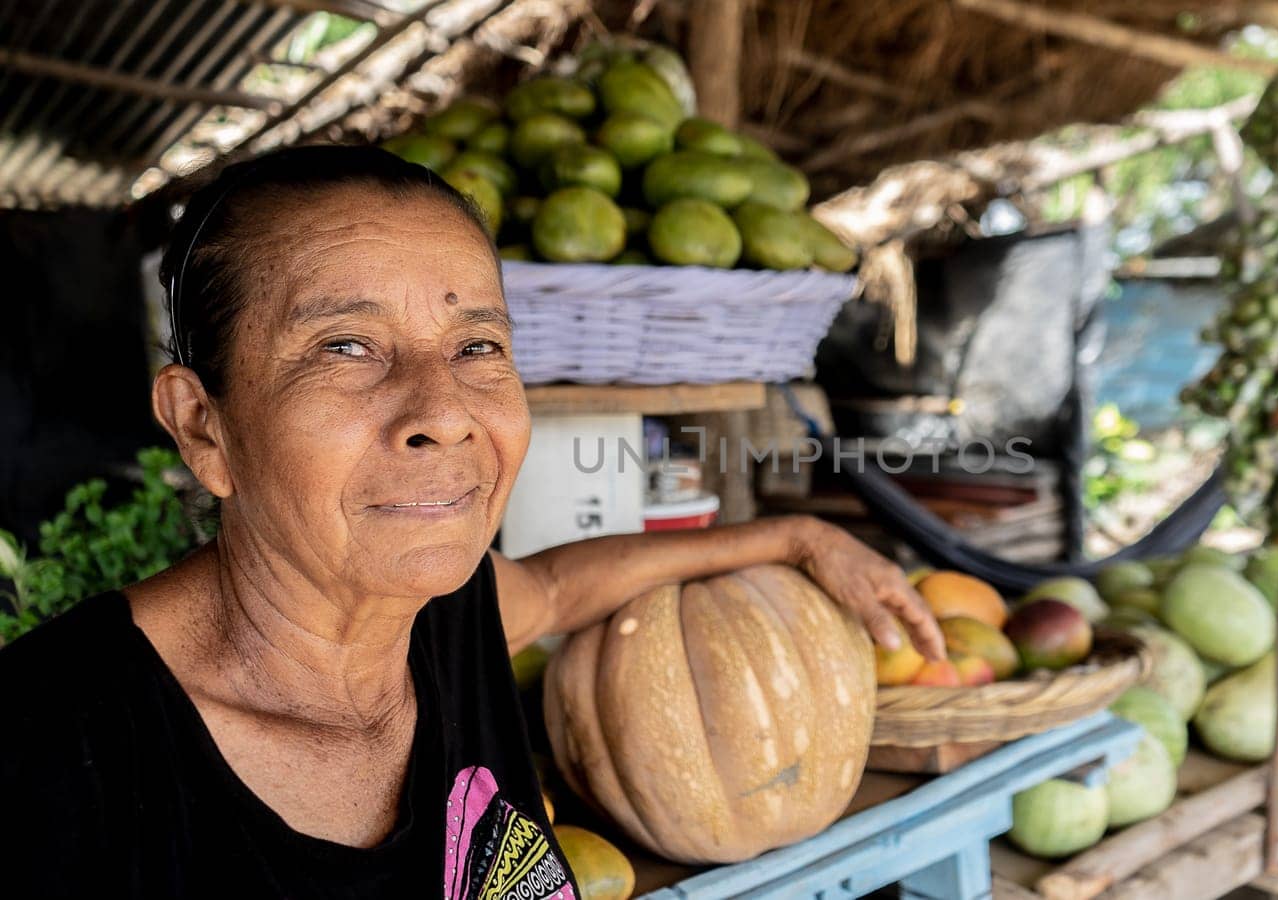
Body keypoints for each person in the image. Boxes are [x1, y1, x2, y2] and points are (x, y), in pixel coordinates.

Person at [0, 145, 944, 899]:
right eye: (346, 346)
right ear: (203, 426)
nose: (444, 410)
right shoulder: (51, 760)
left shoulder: (442, 616)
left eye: (477, 346)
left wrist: (797, 538)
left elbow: (568, 585)